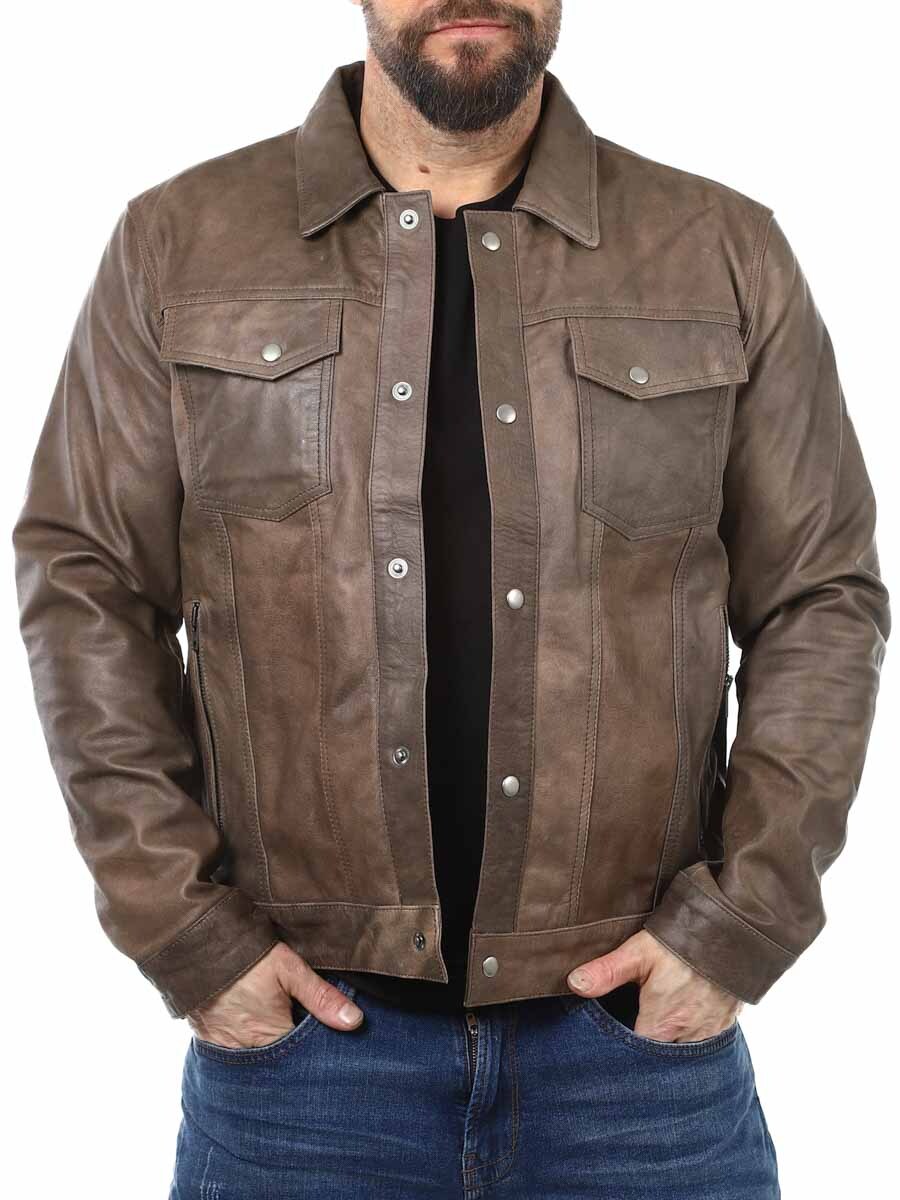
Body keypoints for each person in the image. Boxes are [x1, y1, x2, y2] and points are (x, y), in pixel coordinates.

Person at [12, 2, 890, 1197]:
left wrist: (739, 924)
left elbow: (820, 596)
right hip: (305, 1062)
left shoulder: (720, 249)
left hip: (637, 1057)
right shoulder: (180, 242)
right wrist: (188, 935)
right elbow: (86, 581)